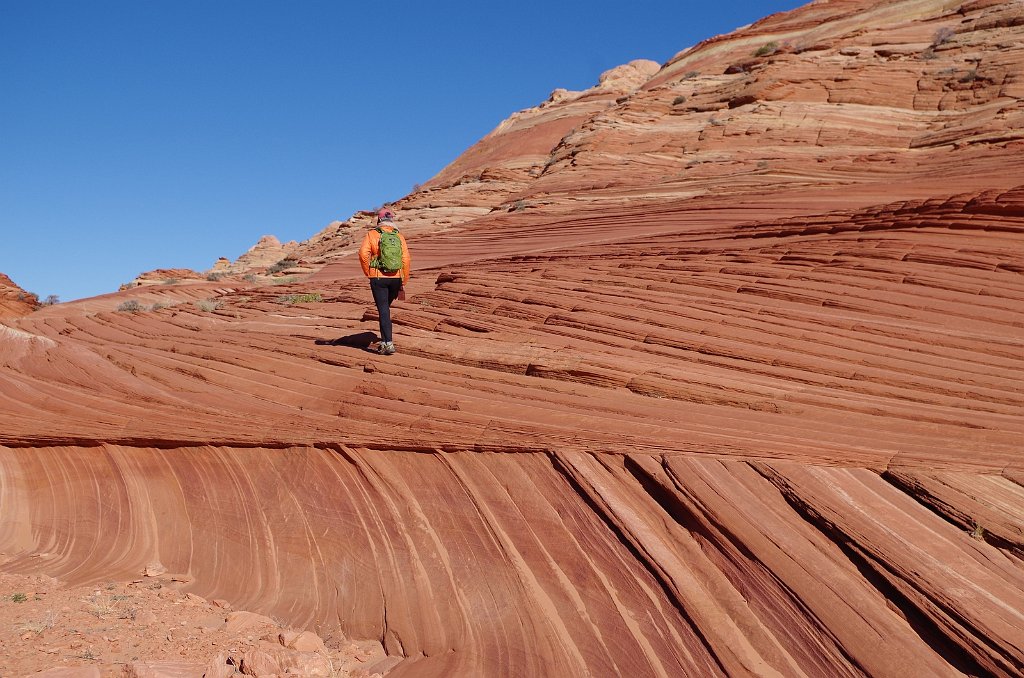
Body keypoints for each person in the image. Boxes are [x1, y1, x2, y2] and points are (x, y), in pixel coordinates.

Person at [359, 207, 411, 355]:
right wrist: (403, 280)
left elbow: (363, 254)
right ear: (392, 219)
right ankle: (385, 340)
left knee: (383, 311)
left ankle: (388, 343)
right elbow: (406, 259)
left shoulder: (373, 234)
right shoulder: (399, 236)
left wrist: (368, 272)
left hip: (378, 277)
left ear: (379, 220)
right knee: (385, 309)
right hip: (396, 278)